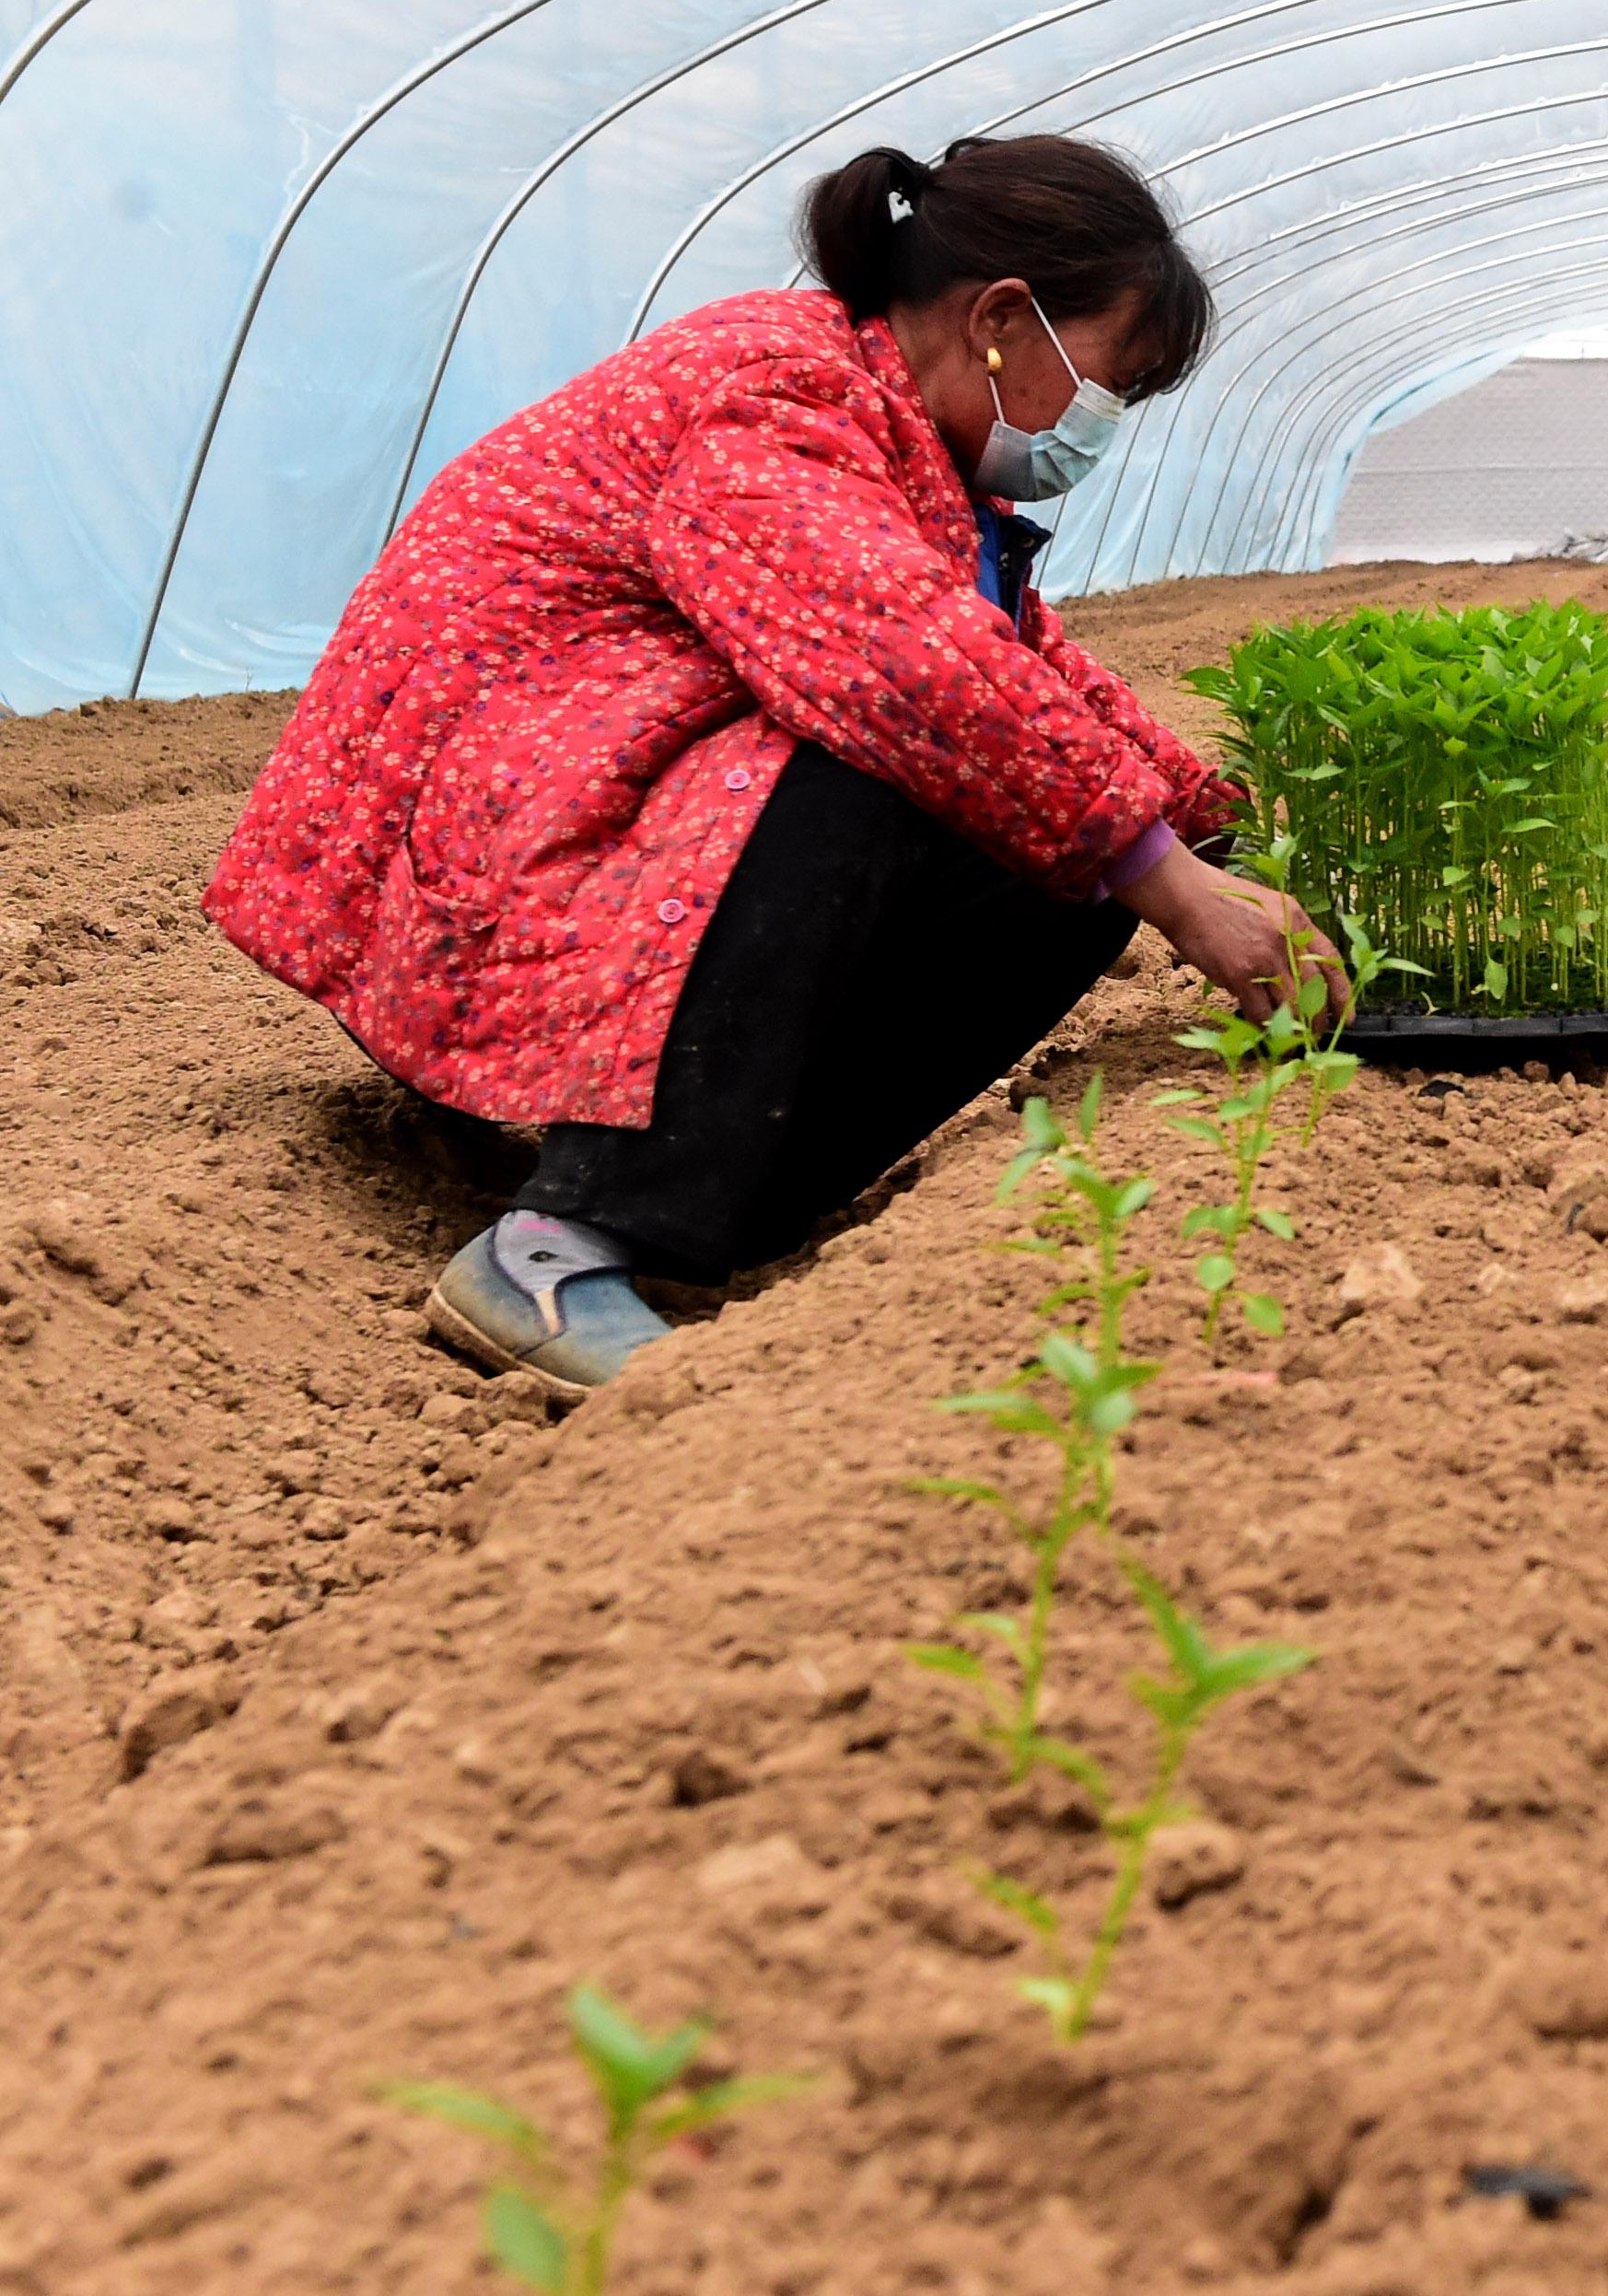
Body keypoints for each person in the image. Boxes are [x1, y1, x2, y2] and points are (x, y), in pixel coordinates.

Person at [206, 135, 1345, 1391]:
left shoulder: (902, 440)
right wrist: (1171, 886)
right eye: (1105, 385)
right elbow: (905, 668)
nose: (1097, 428)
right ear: (1002, 321)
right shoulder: (775, 389)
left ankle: (721, 1215)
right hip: (480, 826)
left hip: (594, 795)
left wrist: (1220, 836)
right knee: (885, 757)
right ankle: (562, 1241)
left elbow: (1021, 665)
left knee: (1061, 872)